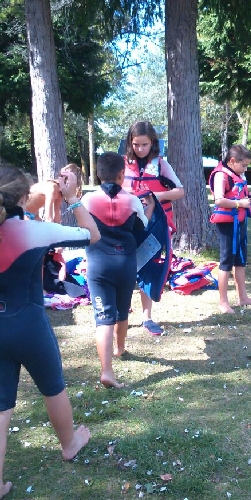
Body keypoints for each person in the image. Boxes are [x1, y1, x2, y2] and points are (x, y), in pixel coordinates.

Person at [0, 164, 100, 500]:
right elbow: (92, 234)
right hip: (29, 326)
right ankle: (69, 444)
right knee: (53, 386)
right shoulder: (34, 230)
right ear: (24, 197)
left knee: (1, 406)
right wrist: (72, 199)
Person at [81, 152, 152, 388]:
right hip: (125, 264)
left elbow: (82, 228)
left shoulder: (88, 200)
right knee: (122, 312)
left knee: (103, 319)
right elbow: (142, 228)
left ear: (98, 173)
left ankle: (106, 371)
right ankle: (120, 349)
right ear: (122, 174)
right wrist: (150, 208)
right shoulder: (131, 200)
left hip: (98, 265)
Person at [122, 121, 184, 336]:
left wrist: (156, 196)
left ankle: (147, 317)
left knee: (147, 267)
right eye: (136, 144)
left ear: (153, 143)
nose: (140, 149)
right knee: (124, 268)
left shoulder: (161, 165)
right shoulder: (122, 164)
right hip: (127, 224)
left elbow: (179, 191)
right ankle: (122, 310)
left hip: (154, 225)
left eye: (145, 144)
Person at [209, 144, 251, 314]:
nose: (245, 169)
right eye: (243, 165)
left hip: (240, 222)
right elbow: (219, 200)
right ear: (232, 161)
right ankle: (223, 302)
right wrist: (240, 203)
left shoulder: (237, 174)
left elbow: (240, 193)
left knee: (240, 259)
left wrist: (249, 197)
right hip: (227, 224)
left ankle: (242, 297)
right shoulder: (221, 175)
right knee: (226, 261)